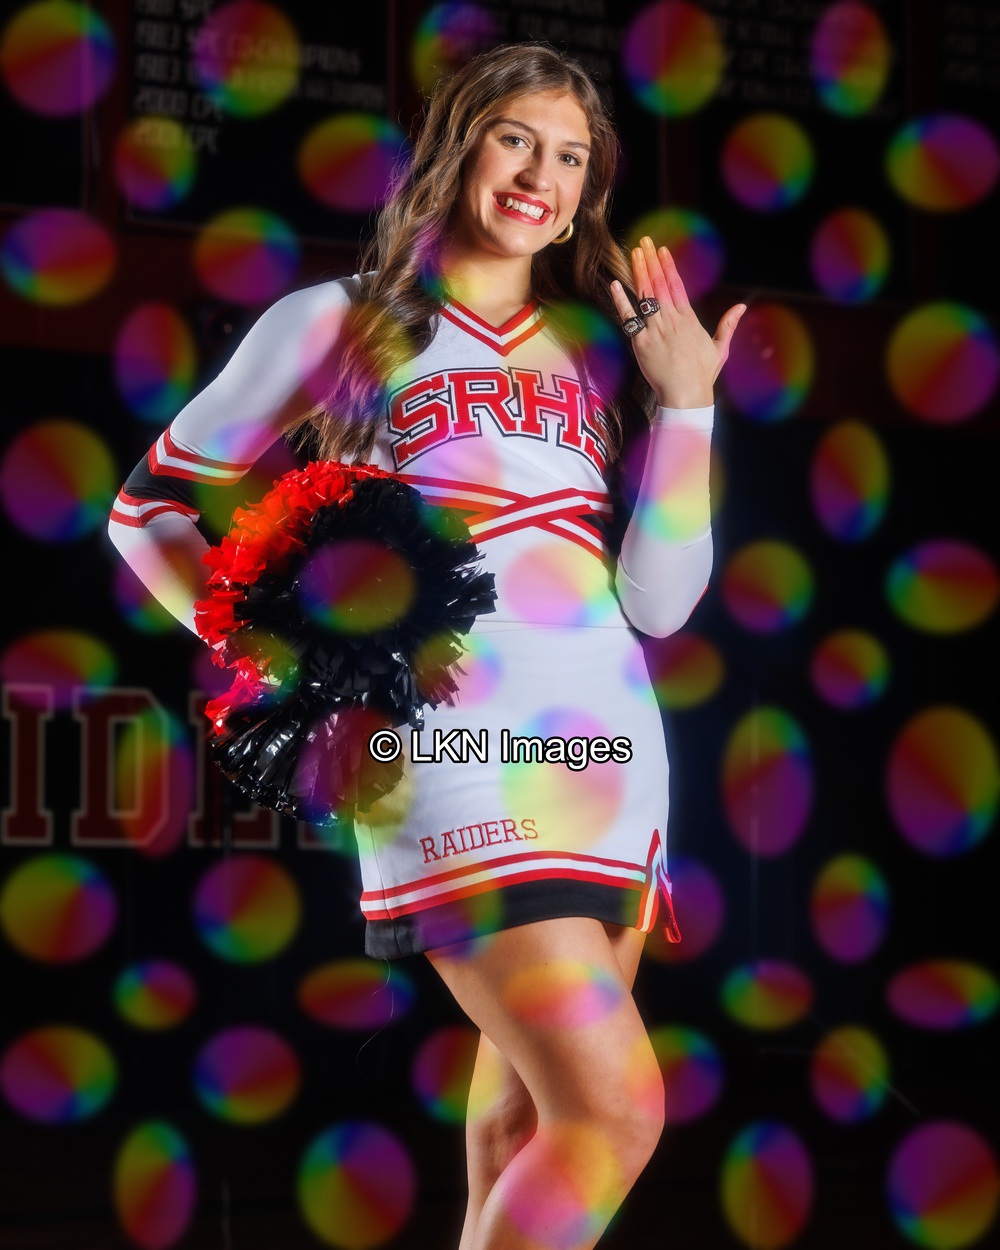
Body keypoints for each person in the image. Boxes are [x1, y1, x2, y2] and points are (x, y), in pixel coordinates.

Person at [109, 41, 744, 1250]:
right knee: (611, 1111)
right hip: (451, 745)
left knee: (521, 1128)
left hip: (608, 755)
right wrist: (290, 657)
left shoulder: (599, 348)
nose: (541, 177)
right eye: (517, 140)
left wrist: (687, 404)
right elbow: (148, 510)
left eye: (572, 158)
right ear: (459, 144)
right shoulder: (340, 319)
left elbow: (660, 602)